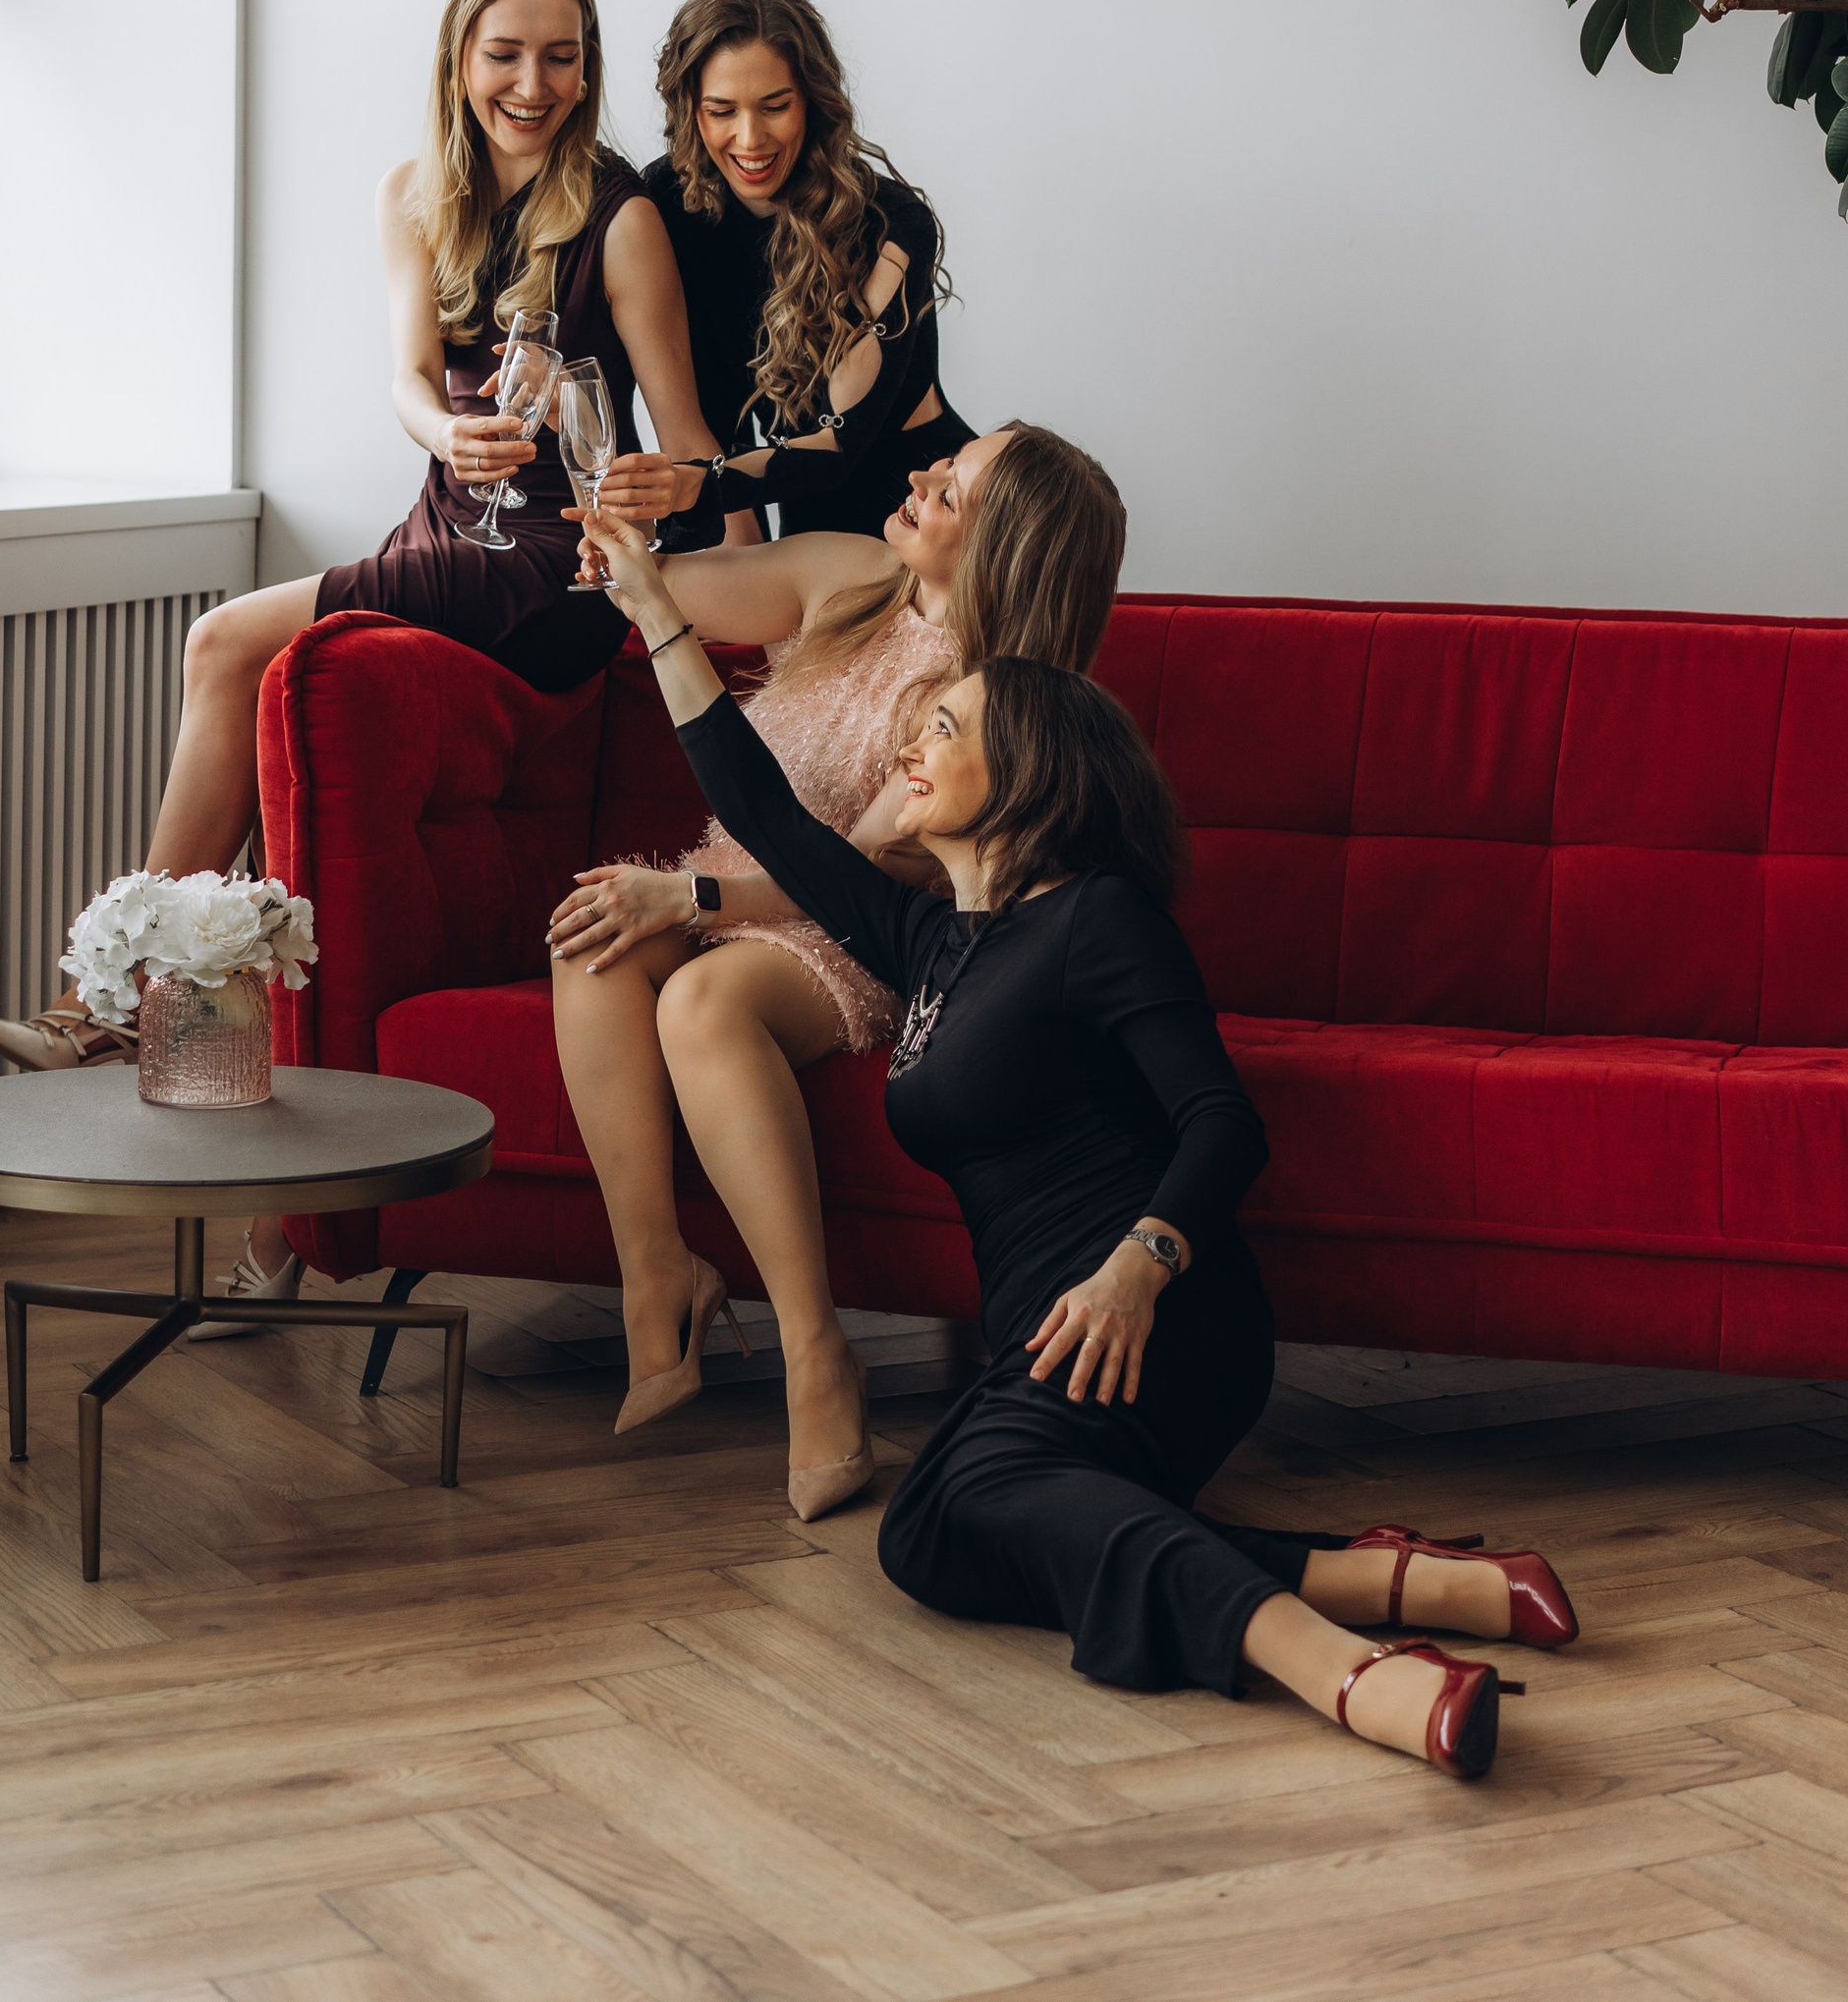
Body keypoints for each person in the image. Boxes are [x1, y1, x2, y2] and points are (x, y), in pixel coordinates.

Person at [583, 505, 1582, 1783]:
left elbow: (1222, 1121)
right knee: (927, 1532)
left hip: (1158, 1322)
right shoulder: (932, 945)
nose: (912, 745)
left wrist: (1135, 1269)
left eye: (948, 728)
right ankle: (1404, 1580)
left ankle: (1350, 1670)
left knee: (977, 1496)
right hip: (1045, 1342)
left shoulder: (1099, 922)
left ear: (1032, 772)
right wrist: (654, 609)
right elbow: (765, 814)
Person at [0, 0, 727, 1296]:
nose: (534, 84)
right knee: (274, 720)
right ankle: (262, 1186)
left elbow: (688, 438)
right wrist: (448, 431)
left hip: (545, 575)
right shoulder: (413, 194)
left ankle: (105, 1006)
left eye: (562, 58)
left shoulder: (620, 219)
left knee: (222, 642)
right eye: (506, 55)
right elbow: (409, 385)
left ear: (589, 69)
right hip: (438, 532)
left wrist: (706, 557)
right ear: (458, 60)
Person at [545, 422, 1126, 1508]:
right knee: (591, 937)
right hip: (735, 882)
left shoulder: (992, 704)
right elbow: (659, 590)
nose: (916, 478)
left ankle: (817, 1351)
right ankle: (655, 1267)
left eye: (949, 490)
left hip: (867, 938)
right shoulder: (852, 572)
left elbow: (848, 881)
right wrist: (619, 555)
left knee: (705, 997)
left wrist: (688, 897)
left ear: (1003, 548)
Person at [599, 0, 973, 548]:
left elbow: (838, 444)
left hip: (926, 521)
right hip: (783, 523)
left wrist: (695, 486)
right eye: (721, 110)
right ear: (689, 109)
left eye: (775, 106)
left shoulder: (893, 227)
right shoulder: (670, 206)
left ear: (813, 102)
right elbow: (695, 412)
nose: (750, 139)